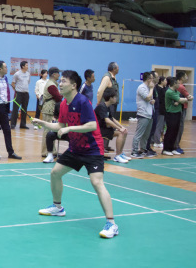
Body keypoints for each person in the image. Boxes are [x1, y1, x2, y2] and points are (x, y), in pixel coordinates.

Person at [33, 70, 119, 239]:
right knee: (55, 173)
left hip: (92, 149)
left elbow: (92, 125)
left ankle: (112, 224)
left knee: (97, 182)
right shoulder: (64, 104)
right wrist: (42, 122)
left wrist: (70, 128)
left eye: (63, 81)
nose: (60, 84)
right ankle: (58, 208)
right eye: (60, 81)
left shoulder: (82, 101)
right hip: (75, 148)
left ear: (73, 85)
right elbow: (60, 126)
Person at [95, 88, 130, 163]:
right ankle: (117, 156)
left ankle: (120, 153)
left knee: (124, 132)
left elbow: (112, 119)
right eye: (114, 97)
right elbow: (107, 121)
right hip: (98, 130)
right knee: (120, 133)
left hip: (105, 129)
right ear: (110, 98)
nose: (116, 98)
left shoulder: (109, 106)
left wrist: (122, 127)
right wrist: (119, 129)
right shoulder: (102, 106)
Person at [162, 77, 189, 156]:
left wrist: (181, 100)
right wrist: (185, 99)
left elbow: (180, 100)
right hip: (171, 113)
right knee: (170, 131)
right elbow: (180, 100)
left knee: (175, 132)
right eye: (178, 83)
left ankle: (172, 148)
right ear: (174, 84)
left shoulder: (177, 92)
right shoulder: (169, 92)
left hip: (178, 113)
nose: (179, 85)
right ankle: (166, 149)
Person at [97, 62, 120, 153]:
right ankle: (103, 146)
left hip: (112, 105)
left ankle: (106, 145)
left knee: (110, 126)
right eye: (118, 67)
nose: (119, 69)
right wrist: (99, 102)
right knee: (106, 125)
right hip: (106, 105)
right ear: (114, 69)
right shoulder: (107, 77)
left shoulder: (113, 78)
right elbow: (100, 91)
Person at [131, 71, 155, 159]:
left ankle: (143, 149)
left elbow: (149, 99)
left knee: (146, 135)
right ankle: (134, 151)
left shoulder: (148, 88)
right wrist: (152, 89)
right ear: (148, 79)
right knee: (139, 134)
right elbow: (147, 97)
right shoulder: (141, 87)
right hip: (143, 114)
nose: (153, 80)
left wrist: (152, 101)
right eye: (152, 78)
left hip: (149, 114)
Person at [41, 67, 62, 156]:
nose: (59, 75)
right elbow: (58, 98)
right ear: (54, 74)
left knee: (50, 130)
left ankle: (51, 150)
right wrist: (63, 93)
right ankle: (46, 151)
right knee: (48, 130)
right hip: (49, 109)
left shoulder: (52, 84)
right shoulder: (51, 85)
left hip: (49, 107)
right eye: (58, 73)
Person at [174, 71, 194, 154]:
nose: (187, 78)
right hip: (181, 109)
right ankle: (176, 146)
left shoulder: (180, 86)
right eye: (186, 76)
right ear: (182, 78)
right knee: (179, 128)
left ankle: (176, 145)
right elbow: (189, 97)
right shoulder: (181, 87)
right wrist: (190, 97)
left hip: (181, 109)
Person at [144, 71, 160, 156]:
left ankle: (148, 147)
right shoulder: (149, 88)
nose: (158, 78)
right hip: (150, 111)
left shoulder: (155, 87)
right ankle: (145, 148)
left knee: (153, 130)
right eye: (156, 77)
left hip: (155, 110)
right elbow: (148, 98)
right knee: (149, 131)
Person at [10, 61, 30, 129]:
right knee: (15, 109)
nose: (27, 66)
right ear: (23, 66)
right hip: (18, 93)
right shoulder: (17, 74)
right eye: (26, 65)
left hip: (26, 94)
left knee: (24, 109)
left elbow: (28, 82)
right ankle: (13, 124)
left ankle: (23, 124)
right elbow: (13, 84)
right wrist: (16, 91)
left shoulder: (28, 74)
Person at [151, 76, 167, 148]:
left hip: (163, 110)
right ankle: (157, 141)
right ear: (162, 81)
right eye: (165, 80)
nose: (166, 82)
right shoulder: (158, 89)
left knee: (161, 126)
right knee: (158, 126)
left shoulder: (163, 89)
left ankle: (156, 140)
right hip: (160, 110)